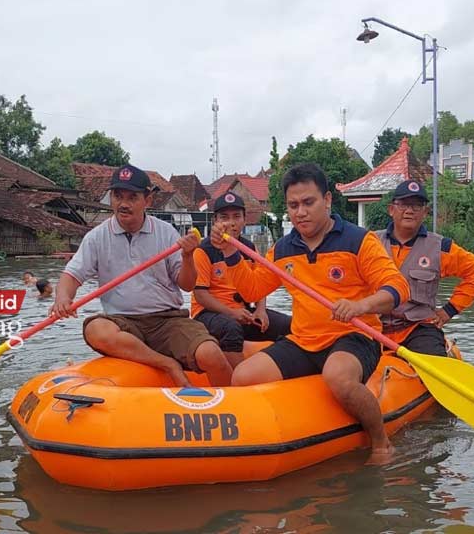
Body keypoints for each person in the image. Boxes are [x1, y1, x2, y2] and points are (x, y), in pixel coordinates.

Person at [210, 163, 410, 464]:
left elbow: (397, 288)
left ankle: (381, 443)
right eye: (293, 206)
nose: (300, 212)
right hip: (304, 339)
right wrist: (229, 253)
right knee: (243, 377)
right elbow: (252, 291)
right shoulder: (282, 249)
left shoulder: (359, 240)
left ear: (327, 200)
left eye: (308, 203)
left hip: (354, 335)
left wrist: (360, 306)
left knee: (338, 375)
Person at [51, 164, 233, 387]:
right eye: (117, 196)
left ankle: (228, 409)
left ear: (147, 201)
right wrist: (63, 298)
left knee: (212, 355)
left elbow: (187, 285)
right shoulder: (96, 237)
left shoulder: (166, 233)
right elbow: (71, 275)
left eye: (132, 197)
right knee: (95, 329)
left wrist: (187, 256)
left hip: (168, 321)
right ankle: (167, 364)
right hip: (124, 323)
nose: (123, 204)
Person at [375, 180, 474, 355]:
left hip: (418, 328)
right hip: (373, 326)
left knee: (435, 364)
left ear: (425, 212)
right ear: (391, 209)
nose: (409, 210)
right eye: (404, 204)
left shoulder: (440, 247)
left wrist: (448, 311)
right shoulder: (370, 242)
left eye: (416, 205)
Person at [193, 192, 291, 368]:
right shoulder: (203, 250)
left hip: (244, 311)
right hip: (208, 314)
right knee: (231, 328)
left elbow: (259, 282)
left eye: (236, 217)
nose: (231, 222)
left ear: (245, 220)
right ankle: (237, 381)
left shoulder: (249, 248)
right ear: (215, 220)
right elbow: (200, 295)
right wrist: (231, 313)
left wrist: (261, 310)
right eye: (224, 217)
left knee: (289, 325)